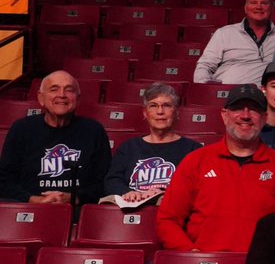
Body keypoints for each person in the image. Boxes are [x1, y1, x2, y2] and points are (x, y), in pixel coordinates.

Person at [157, 84, 275, 252]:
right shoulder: (195, 162)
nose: (245, 116)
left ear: (265, 117)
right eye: (238, 108)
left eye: (253, 109)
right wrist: (190, 254)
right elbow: (167, 220)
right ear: (224, 116)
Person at [0, 70, 110, 205]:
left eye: (69, 90)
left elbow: (104, 182)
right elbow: (4, 180)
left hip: (78, 211)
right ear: (41, 98)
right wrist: (34, 200)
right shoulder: (21, 129)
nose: (62, 95)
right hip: (28, 209)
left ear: (78, 98)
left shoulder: (94, 131)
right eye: (54, 89)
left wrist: (74, 197)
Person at [104, 82, 202, 203]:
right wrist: (127, 192)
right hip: (132, 210)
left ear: (176, 113)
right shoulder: (128, 148)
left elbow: (201, 187)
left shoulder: (193, 150)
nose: (160, 111)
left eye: (166, 105)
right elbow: (112, 180)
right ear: (145, 113)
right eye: (153, 105)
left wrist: (166, 192)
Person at [194, 0, 275, 85]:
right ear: (245, 8)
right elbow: (204, 66)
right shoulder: (224, 33)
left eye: (264, 3)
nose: (259, 7)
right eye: (253, 3)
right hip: (226, 93)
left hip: (266, 96)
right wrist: (207, 87)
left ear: (272, 8)